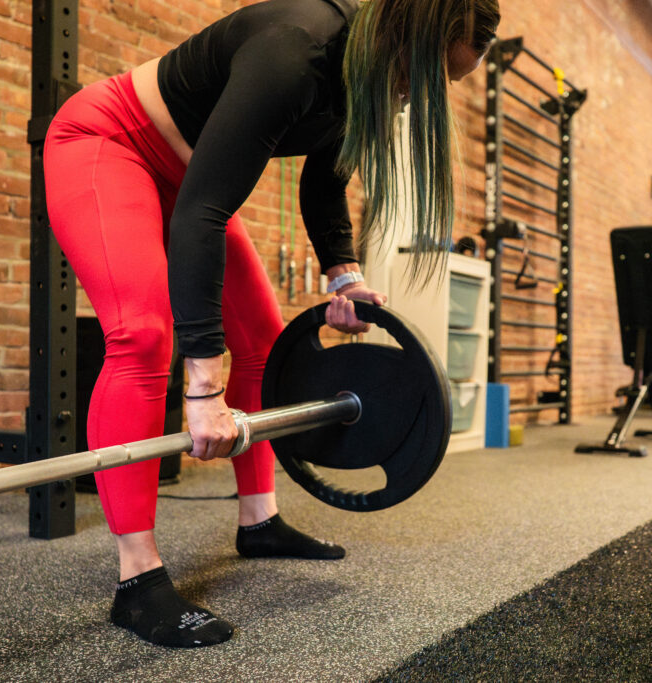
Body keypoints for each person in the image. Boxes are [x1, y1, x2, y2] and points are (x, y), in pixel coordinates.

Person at [44, 0, 500, 648]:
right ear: (407, 38)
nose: (413, 94)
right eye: (422, 74)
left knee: (263, 334)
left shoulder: (360, 79)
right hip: (108, 143)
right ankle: (137, 576)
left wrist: (345, 277)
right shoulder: (299, 50)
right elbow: (203, 211)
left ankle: (259, 520)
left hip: (187, 177)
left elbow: (323, 185)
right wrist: (203, 389)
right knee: (144, 333)